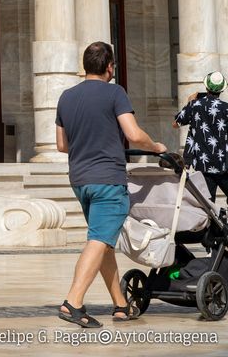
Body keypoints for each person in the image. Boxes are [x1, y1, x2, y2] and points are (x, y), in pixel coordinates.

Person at [55, 41, 167, 329]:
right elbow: (133, 133)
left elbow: (61, 145)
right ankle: (73, 302)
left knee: (103, 242)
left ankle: (120, 304)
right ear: (109, 67)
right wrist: (155, 146)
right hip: (108, 178)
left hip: (80, 179)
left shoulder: (66, 97)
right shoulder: (115, 92)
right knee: (100, 240)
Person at [174, 71, 228, 204]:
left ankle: (214, 225)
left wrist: (189, 103)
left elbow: (176, 123)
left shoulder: (194, 105)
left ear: (207, 87)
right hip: (224, 163)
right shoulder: (226, 108)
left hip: (203, 164)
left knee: (209, 204)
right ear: (222, 89)